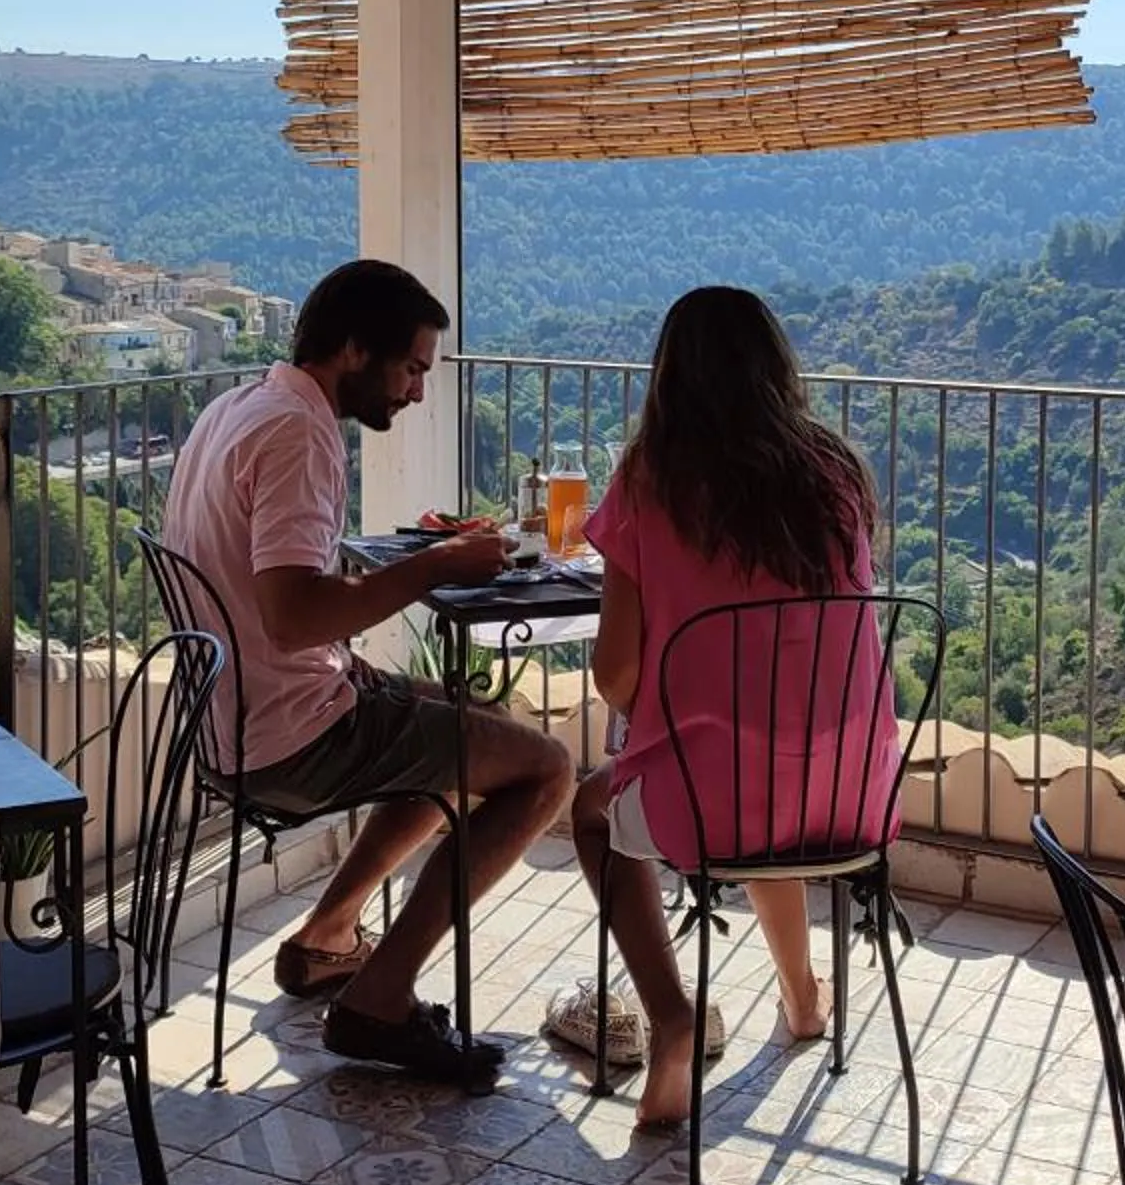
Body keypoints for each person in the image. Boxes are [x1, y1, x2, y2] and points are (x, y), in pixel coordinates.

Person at [161, 258, 573, 1083]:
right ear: (354, 348)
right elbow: (295, 615)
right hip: (288, 736)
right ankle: (379, 999)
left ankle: (327, 940)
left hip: (226, 718)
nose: (418, 391)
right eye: (412, 367)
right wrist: (438, 566)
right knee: (547, 770)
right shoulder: (298, 435)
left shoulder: (237, 407)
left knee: (456, 717)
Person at [573, 286, 896, 1128]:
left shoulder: (651, 480)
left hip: (717, 800)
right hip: (850, 793)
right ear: (775, 369)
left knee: (592, 808)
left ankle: (671, 1013)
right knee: (755, 768)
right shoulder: (835, 473)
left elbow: (614, 676)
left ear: (669, 377)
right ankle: (802, 1001)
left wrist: (669, 700)